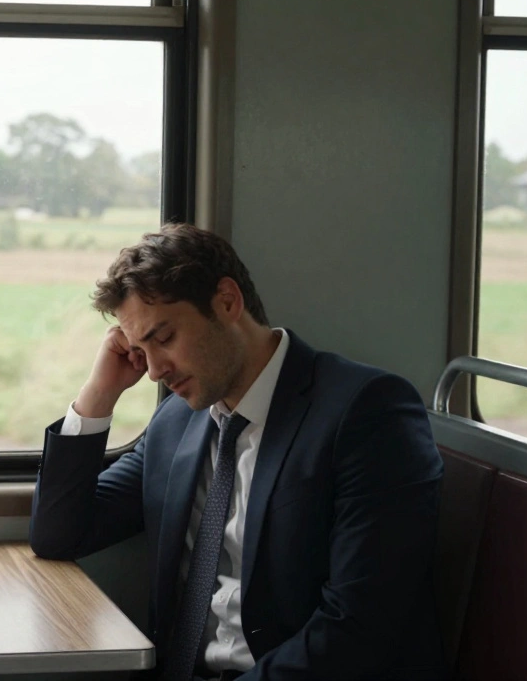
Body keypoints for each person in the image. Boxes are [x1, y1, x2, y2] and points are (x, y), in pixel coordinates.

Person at [29, 224, 446, 681]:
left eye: (164, 338)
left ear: (227, 302)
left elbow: (360, 626)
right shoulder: (177, 422)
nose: (153, 371)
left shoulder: (366, 411)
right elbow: (59, 535)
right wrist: (97, 396)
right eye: (139, 350)